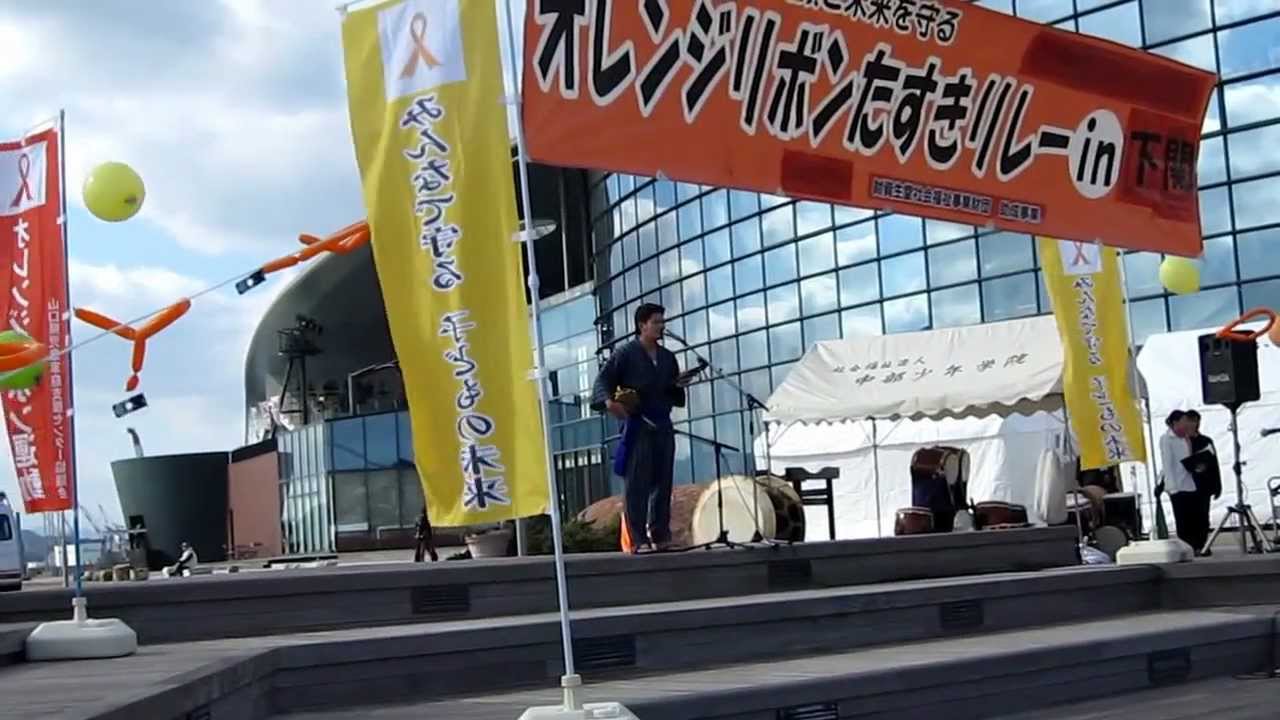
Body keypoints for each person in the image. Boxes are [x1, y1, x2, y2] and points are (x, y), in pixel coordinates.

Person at [591, 303, 692, 553]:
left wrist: (678, 383)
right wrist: (608, 402)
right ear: (642, 325)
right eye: (656, 322)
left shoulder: (668, 357)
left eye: (662, 321)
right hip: (638, 423)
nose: (661, 326)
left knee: (663, 481)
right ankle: (638, 539)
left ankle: (660, 534)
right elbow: (603, 380)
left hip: (663, 424)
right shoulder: (625, 354)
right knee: (637, 483)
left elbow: (672, 392)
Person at [1157, 410, 1198, 551]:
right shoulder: (1166, 439)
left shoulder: (1185, 438)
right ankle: (1186, 546)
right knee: (1182, 519)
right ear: (1175, 423)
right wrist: (1171, 487)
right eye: (1183, 421)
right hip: (1177, 485)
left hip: (1189, 482)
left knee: (1193, 518)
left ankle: (1195, 544)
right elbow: (1167, 463)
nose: (1186, 424)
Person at [1182, 410, 1220, 556]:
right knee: (1188, 517)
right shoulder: (1181, 442)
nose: (1193, 424)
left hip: (1203, 485)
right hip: (1186, 485)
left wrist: (1217, 486)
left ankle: (1202, 545)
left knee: (1203, 517)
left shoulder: (1205, 441)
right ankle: (1190, 545)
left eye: (1196, 421)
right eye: (1190, 421)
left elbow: (1214, 463)